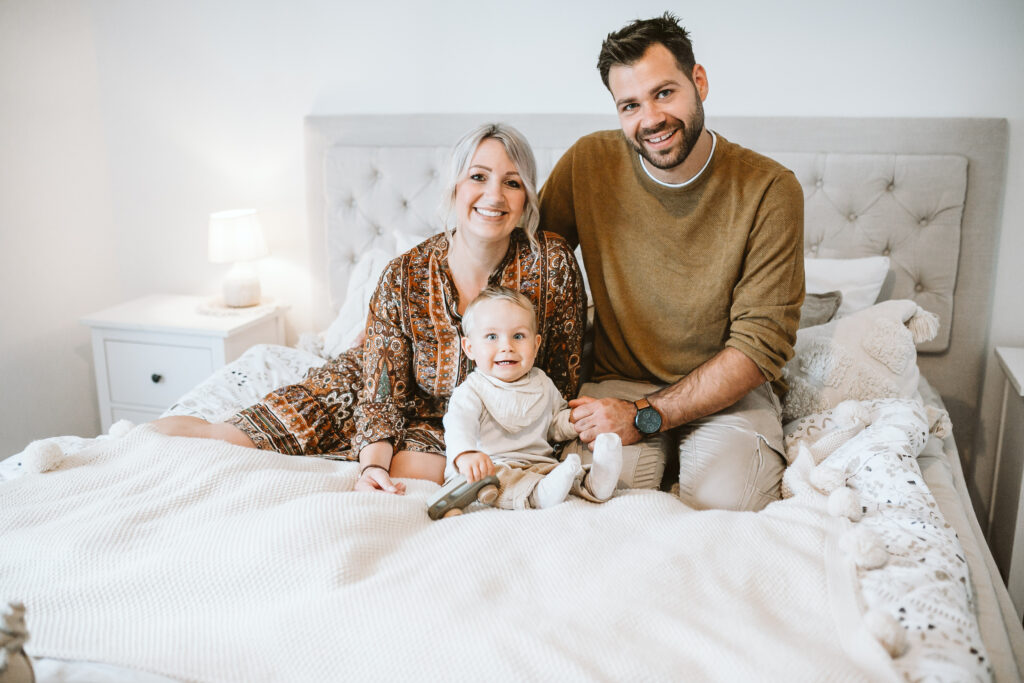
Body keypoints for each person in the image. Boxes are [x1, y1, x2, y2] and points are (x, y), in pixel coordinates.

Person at [153, 122, 587, 495]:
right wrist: (374, 462)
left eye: (512, 182)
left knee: (412, 473)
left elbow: (558, 380)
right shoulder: (404, 274)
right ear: (454, 186)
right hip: (372, 385)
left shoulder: (552, 264)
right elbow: (382, 392)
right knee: (235, 438)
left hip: (462, 423)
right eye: (478, 176)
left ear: (527, 198)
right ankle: (127, 446)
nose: (493, 195)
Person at [538, 13, 804, 512]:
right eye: (631, 105)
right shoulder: (588, 163)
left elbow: (759, 347)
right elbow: (520, 262)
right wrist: (402, 312)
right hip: (616, 383)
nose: (651, 119)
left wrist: (643, 416)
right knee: (589, 510)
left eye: (665, 93)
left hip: (731, 393)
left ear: (698, 81)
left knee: (723, 512)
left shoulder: (770, 189)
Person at [444, 285, 623, 510]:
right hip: (492, 466)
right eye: (491, 336)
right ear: (469, 348)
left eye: (518, 336)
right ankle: (537, 496)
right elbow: (459, 425)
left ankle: (596, 482)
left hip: (539, 465)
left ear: (536, 344)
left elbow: (553, 425)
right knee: (498, 483)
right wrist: (466, 454)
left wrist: (575, 420)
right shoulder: (471, 391)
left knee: (565, 471)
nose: (506, 347)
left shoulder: (543, 384)